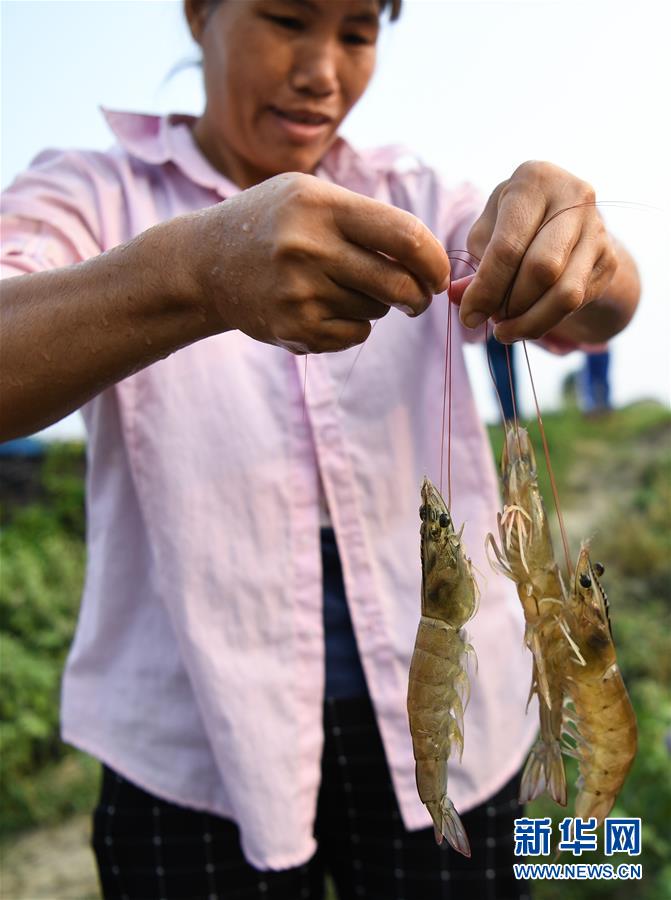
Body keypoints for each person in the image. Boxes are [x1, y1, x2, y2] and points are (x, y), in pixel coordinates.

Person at [0, 1, 640, 898]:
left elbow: (611, 303)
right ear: (197, 14)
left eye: (356, 32)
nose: (321, 71)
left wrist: (582, 247)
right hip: (192, 755)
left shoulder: (420, 195)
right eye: (286, 18)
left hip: (464, 749)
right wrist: (192, 275)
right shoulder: (87, 196)